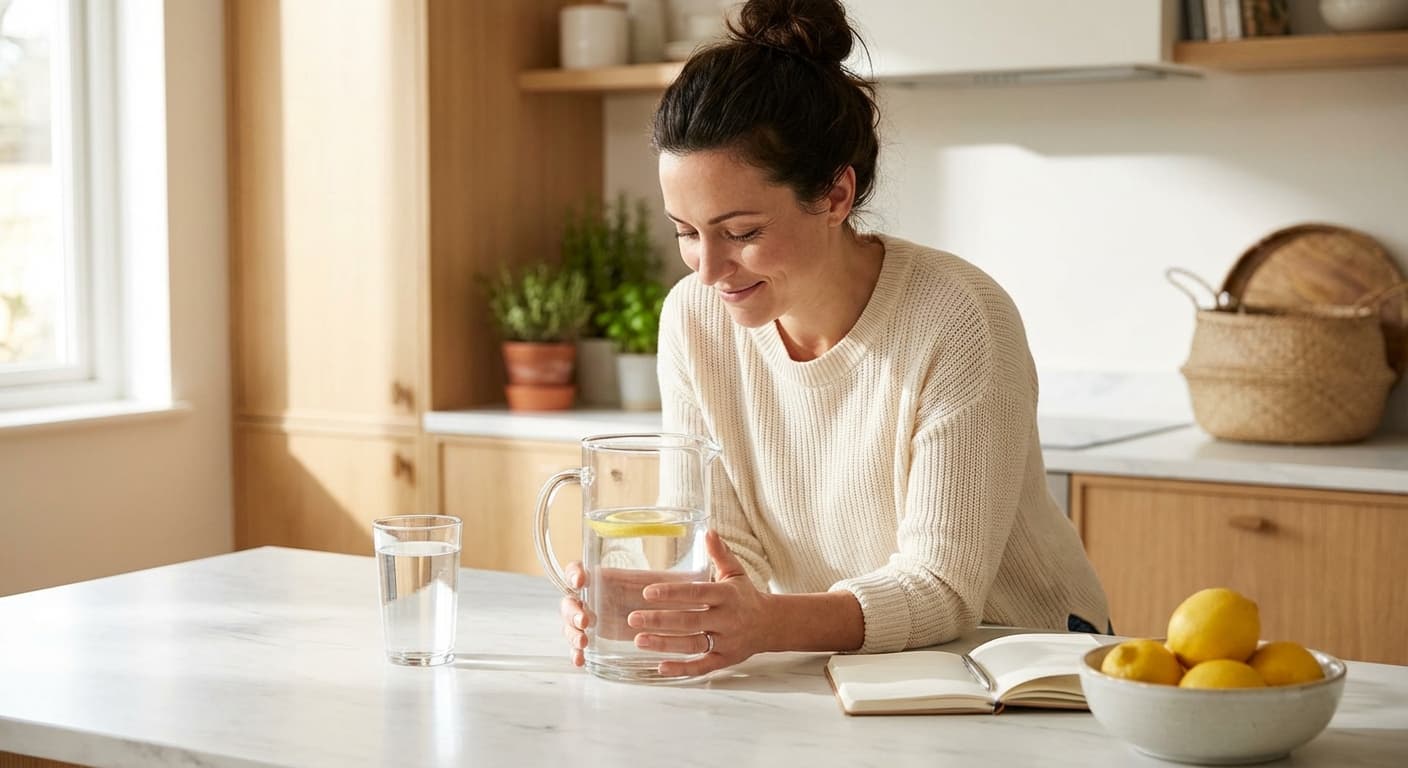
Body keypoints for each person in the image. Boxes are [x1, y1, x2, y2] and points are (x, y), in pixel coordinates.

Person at [559, 0, 1110, 678]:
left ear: (834, 196)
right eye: (685, 231)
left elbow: (942, 587)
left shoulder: (959, 318)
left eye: (741, 233)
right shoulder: (693, 320)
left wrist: (763, 624)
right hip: (851, 667)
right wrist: (670, 606)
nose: (708, 268)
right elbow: (728, 552)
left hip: (1022, 665)